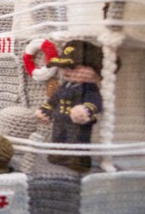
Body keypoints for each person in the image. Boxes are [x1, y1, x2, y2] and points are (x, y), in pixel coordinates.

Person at [35, 40, 103, 173]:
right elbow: (54, 100)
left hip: (78, 123)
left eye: (72, 67)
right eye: (64, 66)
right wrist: (45, 111)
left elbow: (96, 102)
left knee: (78, 140)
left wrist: (86, 110)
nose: (66, 71)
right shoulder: (65, 85)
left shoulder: (88, 88)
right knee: (58, 138)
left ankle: (78, 160)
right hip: (59, 121)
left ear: (94, 69)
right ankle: (58, 155)